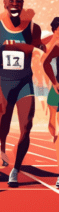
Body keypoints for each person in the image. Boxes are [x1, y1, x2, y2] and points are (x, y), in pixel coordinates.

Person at [0, 0, 45, 187]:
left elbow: (39, 49)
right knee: (2, 125)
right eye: (11, 1)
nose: (15, 4)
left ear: (23, 5)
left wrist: (42, 47)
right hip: (4, 84)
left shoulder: (32, 28)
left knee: (26, 126)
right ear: (4, 4)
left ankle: (15, 169)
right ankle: (3, 145)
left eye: (18, 2)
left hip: (24, 83)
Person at [42, 17, 59, 187]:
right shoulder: (57, 45)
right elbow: (45, 62)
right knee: (54, 127)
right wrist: (54, 83)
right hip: (57, 92)